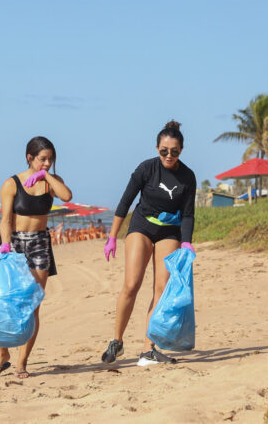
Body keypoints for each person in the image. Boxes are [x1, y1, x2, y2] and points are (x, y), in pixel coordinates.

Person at [101, 121, 196, 366]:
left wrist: (186, 242)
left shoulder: (187, 177)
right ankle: (117, 341)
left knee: (161, 290)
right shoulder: (147, 169)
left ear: (181, 151)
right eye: (164, 150)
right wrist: (112, 236)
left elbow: (188, 214)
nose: (169, 155)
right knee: (132, 284)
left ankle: (148, 348)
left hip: (170, 231)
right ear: (157, 148)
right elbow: (124, 203)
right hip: (142, 225)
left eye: (174, 151)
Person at [0, 136, 72, 379]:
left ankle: (22, 362)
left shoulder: (51, 181)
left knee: (32, 305)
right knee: (5, 300)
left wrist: (46, 176)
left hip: (39, 244)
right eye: (42, 159)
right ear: (30, 158)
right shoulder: (11, 184)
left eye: (50, 159)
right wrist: (5, 247)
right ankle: (2, 354)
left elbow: (66, 196)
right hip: (13, 243)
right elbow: (5, 220)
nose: (47, 163)